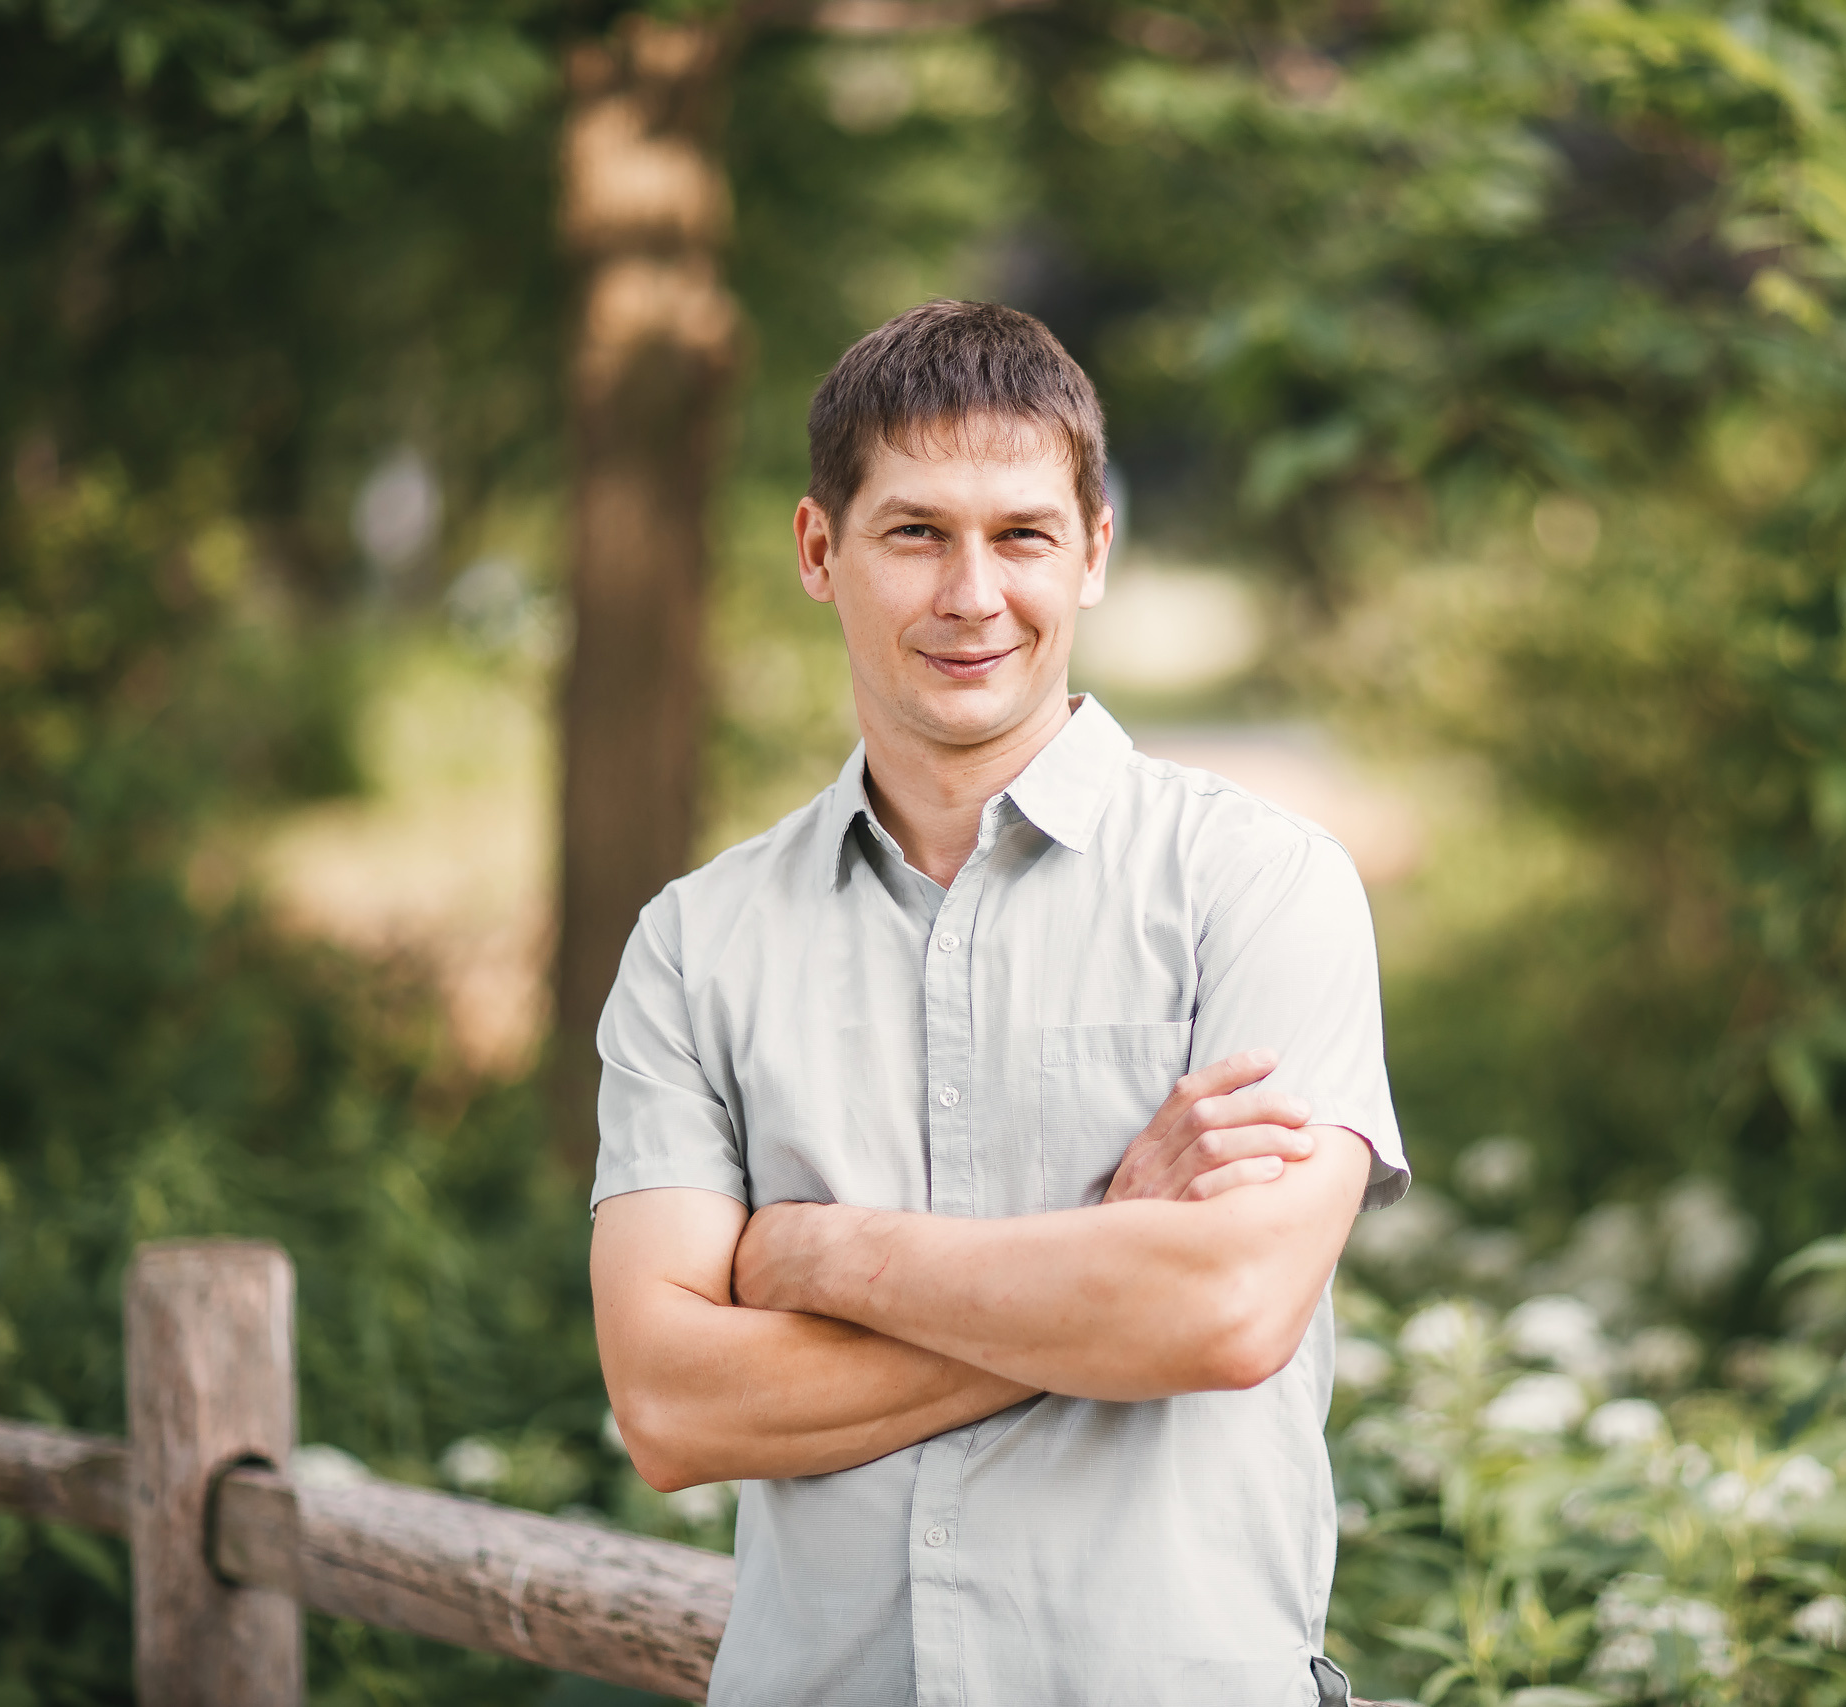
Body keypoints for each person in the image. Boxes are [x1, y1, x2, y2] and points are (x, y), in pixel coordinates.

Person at [587, 298, 1407, 1707]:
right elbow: (669, 1403)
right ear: (818, 551)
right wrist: (1103, 1264)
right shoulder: (695, 945)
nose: (973, 595)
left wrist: (819, 1261)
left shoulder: (1260, 890)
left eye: (1021, 534)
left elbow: (1222, 1314)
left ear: (1093, 553)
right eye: (916, 533)